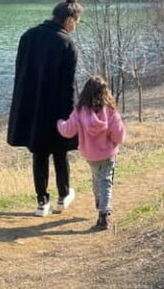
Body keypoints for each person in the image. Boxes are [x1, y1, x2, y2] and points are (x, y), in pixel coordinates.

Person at [7, 0, 84, 217]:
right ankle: (63, 197)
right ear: (69, 20)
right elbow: (68, 85)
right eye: (76, 23)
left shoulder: (28, 37)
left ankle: (42, 203)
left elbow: (20, 75)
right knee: (60, 153)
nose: (75, 28)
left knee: (39, 154)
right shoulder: (67, 44)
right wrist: (70, 116)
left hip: (31, 108)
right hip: (57, 109)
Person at [57, 75, 126, 231]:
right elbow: (119, 136)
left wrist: (59, 123)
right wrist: (114, 141)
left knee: (97, 179)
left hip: (90, 155)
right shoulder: (110, 111)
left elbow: (67, 131)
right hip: (108, 154)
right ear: (105, 92)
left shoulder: (80, 111)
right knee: (105, 181)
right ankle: (104, 214)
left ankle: (99, 201)